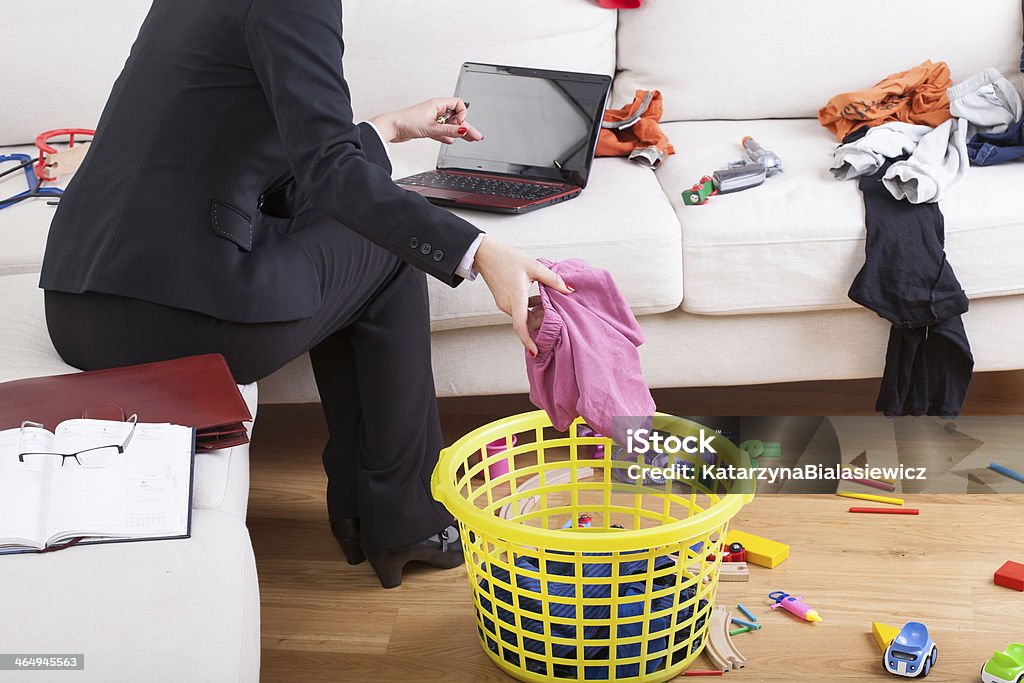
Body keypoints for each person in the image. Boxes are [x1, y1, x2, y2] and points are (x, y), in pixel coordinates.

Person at [38, 0, 570, 589]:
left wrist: (388, 129)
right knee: (393, 237)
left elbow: (235, 147)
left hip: (78, 306)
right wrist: (481, 253)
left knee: (365, 219)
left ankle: (370, 512)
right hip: (183, 323)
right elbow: (329, 172)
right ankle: (401, 521)